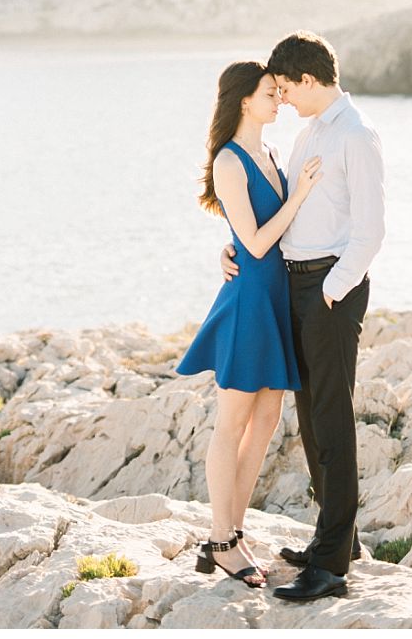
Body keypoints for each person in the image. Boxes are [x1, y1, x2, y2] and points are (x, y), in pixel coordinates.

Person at [220, 31, 385, 604]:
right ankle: (337, 540)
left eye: (286, 88)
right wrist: (235, 251)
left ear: (309, 81)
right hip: (296, 283)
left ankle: (331, 567)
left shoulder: (355, 137)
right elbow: (287, 218)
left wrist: (333, 293)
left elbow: (370, 231)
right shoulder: (313, 133)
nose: (282, 97)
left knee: (331, 421)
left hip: (329, 288)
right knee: (312, 419)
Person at [175, 60, 323, 589]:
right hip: (248, 302)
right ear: (244, 101)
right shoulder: (229, 162)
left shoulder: (270, 152)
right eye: (269, 93)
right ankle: (219, 540)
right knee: (232, 422)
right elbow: (258, 242)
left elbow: (256, 235)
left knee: (265, 420)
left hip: (274, 297)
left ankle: (232, 532)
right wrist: (299, 195)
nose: (278, 100)